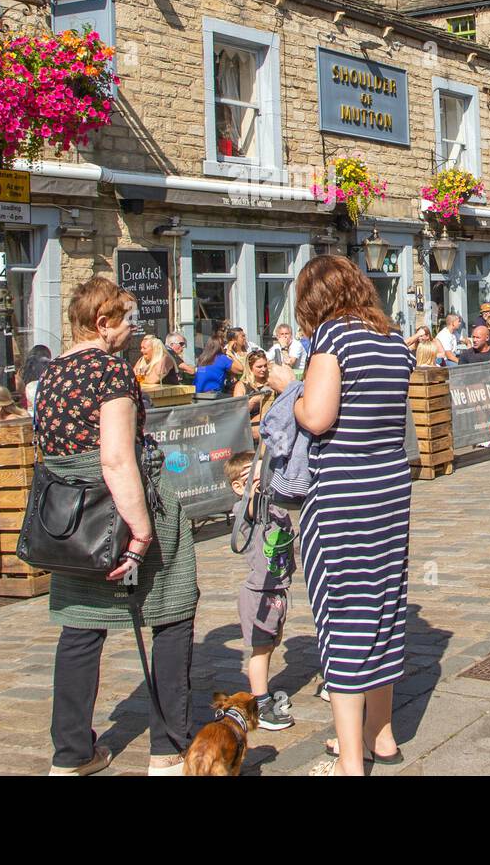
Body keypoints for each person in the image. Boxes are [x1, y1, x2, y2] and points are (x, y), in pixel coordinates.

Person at [35, 277, 198, 777]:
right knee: (172, 614)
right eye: (126, 319)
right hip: (121, 507)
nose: (132, 329)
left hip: (69, 518)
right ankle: (168, 749)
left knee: (81, 626)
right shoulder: (109, 371)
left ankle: (71, 753)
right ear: (101, 323)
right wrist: (142, 531)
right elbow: (115, 458)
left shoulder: (51, 373)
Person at [292, 255, 415, 777]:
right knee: (383, 606)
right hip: (390, 490)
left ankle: (349, 760)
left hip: (343, 494)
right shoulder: (390, 340)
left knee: (342, 612)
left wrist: (292, 397)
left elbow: (318, 417)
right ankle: (380, 735)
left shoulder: (333, 340)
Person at [225, 451, 296, 732]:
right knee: (260, 650)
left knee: (272, 642)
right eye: (250, 476)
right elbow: (253, 507)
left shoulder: (276, 509)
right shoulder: (246, 509)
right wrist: (255, 492)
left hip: (278, 590)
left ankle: (264, 693)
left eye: (261, 473)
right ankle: (260, 701)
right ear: (239, 486)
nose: (258, 479)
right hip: (258, 593)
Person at [233, 349, 286, 442]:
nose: (263, 369)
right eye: (259, 367)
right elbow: (237, 414)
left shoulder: (271, 381)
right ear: (250, 367)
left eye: (265, 365)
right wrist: (253, 401)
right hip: (251, 426)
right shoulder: (241, 385)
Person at [19, 344, 53, 417]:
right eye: (44, 363)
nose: (48, 366)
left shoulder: (48, 380)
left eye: (49, 363)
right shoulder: (24, 382)